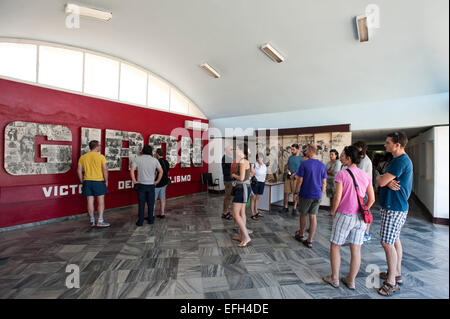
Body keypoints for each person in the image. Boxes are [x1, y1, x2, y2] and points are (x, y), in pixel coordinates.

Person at [322, 146, 375, 290]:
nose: (341, 157)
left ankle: (334, 278)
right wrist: (364, 209)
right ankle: (351, 280)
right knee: (356, 249)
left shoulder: (342, 174)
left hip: (344, 215)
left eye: (343, 155)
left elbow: (338, 197)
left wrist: (333, 211)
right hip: (360, 218)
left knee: (335, 245)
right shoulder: (365, 175)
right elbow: (372, 199)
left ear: (349, 158)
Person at [376, 132, 413, 296]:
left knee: (386, 242)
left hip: (394, 207)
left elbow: (381, 181)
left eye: (388, 142)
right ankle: (396, 273)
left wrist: (382, 179)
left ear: (397, 144)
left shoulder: (400, 161)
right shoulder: (398, 160)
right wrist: (384, 179)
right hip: (395, 206)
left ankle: (391, 282)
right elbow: (383, 180)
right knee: (394, 239)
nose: (385, 145)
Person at [293, 144, 327, 248]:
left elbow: (299, 181)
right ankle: (310, 240)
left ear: (311, 151)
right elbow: (324, 183)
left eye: (306, 149)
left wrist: (295, 193)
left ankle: (301, 235)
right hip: (317, 195)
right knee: (313, 216)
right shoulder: (322, 165)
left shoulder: (304, 164)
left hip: (306, 194)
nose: (305, 151)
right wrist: (320, 194)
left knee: (303, 214)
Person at [77, 140, 110, 228]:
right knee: (100, 201)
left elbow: (79, 171)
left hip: (87, 181)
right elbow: (105, 170)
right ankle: (100, 221)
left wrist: (82, 181)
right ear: (96, 147)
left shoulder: (83, 157)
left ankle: (92, 221)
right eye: (99, 145)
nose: (100, 146)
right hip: (98, 181)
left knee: (89, 201)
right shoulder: (101, 157)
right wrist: (106, 180)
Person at [130, 145, 163, 226]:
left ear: (143, 151)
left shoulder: (137, 159)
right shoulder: (154, 160)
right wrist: (157, 181)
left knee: (141, 204)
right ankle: (151, 220)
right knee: (151, 204)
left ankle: (140, 221)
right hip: (151, 185)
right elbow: (161, 171)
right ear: (151, 151)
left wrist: (134, 181)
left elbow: (132, 170)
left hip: (141, 185)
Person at [230, 144, 254, 247]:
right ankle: (241, 236)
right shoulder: (246, 161)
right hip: (245, 188)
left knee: (235, 214)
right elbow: (252, 172)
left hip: (242, 189)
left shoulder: (242, 162)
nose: (236, 152)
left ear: (241, 151)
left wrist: (234, 175)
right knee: (242, 212)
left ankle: (247, 237)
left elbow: (241, 178)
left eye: (237, 150)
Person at [353, 141, 373, 242]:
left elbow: (359, 176)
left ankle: (366, 233)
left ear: (360, 148)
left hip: (363, 191)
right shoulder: (362, 159)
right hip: (363, 190)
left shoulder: (365, 161)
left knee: (365, 211)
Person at [283, 144, 302, 214]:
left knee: (295, 193)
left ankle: (294, 208)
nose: (292, 151)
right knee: (286, 192)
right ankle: (285, 207)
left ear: (297, 150)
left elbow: (301, 169)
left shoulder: (300, 158)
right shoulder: (290, 157)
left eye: (293, 149)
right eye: (291, 149)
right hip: (288, 177)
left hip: (296, 178)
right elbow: (287, 165)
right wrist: (287, 169)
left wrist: (295, 174)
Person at [250, 152, 267, 220]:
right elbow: (251, 173)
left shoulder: (264, 165)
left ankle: (256, 211)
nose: (261, 158)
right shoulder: (254, 165)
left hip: (262, 182)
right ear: (257, 158)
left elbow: (265, 174)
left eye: (262, 157)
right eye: (259, 157)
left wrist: (264, 180)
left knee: (257, 198)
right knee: (253, 198)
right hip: (255, 183)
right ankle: (252, 213)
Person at [325, 149, 342, 216]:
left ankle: (335, 211)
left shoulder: (338, 162)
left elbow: (335, 173)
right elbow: (324, 171)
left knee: (335, 196)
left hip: (335, 182)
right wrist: (329, 172)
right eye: (330, 154)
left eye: (332, 154)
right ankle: (331, 211)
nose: (331, 156)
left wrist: (328, 171)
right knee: (330, 196)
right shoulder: (328, 163)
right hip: (328, 181)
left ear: (336, 155)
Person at [154, 148, 170, 218]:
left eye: (155, 153)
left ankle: (151, 215)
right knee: (162, 198)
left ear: (157, 154)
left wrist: (154, 181)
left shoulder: (157, 162)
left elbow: (155, 173)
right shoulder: (166, 161)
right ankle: (162, 213)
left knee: (153, 199)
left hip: (157, 183)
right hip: (165, 182)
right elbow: (168, 172)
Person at [221, 145, 234, 220]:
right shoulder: (225, 158)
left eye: (232, 149)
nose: (232, 151)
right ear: (226, 150)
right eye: (230, 149)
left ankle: (226, 211)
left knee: (229, 197)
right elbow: (233, 167)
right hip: (228, 180)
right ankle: (224, 213)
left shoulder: (229, 158)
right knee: (227, 197)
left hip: (230, 179)